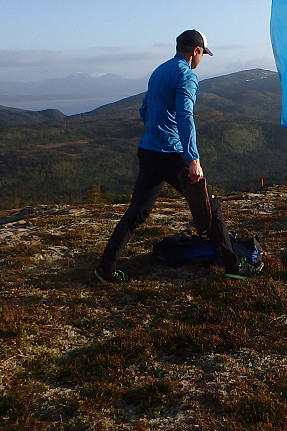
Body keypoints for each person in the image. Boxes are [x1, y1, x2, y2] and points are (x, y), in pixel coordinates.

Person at [93, 29, 263, 282]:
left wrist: (155, 130)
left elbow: (144, 108)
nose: (202, 58)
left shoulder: (159, 71)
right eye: (202, 54)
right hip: (172, 153)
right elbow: (185, 116)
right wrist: (193, 159)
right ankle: (233, 266)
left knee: (137, 212)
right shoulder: (187, 76)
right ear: (196, 51)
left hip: (149, 150)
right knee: (211, 206)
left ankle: (105, 269)